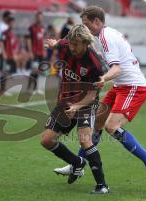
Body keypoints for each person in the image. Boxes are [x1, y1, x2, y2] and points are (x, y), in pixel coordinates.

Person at [54, 5, 146, 184]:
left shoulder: (105, 37)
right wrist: (58, 42)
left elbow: (117, 68)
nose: (84, 28)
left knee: (111, 127)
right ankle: (77, 165)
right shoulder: (106, 34)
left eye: (86, 24)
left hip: (133, 87)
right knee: (97, 124)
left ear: (97, 22)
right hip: (121, 86)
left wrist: (103, 78)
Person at [41, 24, 109, 194]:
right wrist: (52, 43)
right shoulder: (66, 45)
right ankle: (77, 163)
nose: (72, 48)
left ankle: (102, 186)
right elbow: (58, 43)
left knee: (85, 140)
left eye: (76, 45)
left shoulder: (95, 64)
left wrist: (77, 106)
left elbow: (92, 96)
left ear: (85, 43)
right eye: (70, 44)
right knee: (47, 140)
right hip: (65, 101)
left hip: (86, 103)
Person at [26, 11, 45, 94]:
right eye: (38, 17)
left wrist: (44, 49)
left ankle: (35, 88)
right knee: (34, 70)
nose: (39, 18)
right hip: (34, 52)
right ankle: (30, 87)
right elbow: (28, 39)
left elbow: (44, 39)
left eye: (41, 17)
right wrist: (30, 51)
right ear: (36, 18)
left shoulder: (43, 27)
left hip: (41, 52)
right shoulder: (31, 28)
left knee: (38, 70)